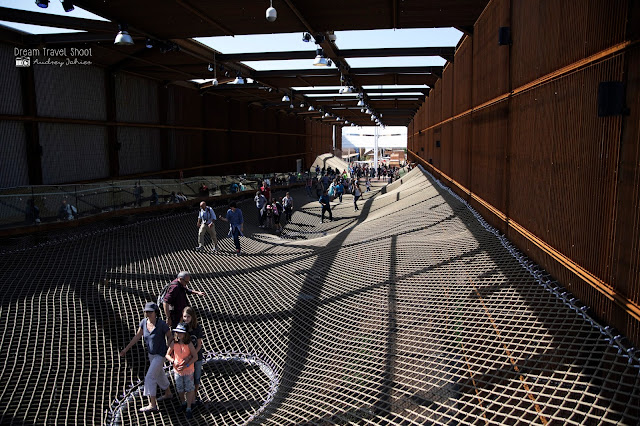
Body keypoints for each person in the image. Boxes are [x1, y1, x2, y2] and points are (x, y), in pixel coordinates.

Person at [120, 302, 173, 413]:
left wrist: (168, 350)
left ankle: (152, 404)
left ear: (155, 312)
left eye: (150, 312)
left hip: (160, 354)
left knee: (149, 377)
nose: (147, 314)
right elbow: (138, 336)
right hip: (151, 354)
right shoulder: (144, 323)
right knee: (159, 374)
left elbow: (170, 336)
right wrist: (126, 349)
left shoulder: (161, 324)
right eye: (146, 312)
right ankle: (168, 393)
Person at [165, 322, 197, 418]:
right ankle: (183, 403)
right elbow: (167, 354)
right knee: (180, 388)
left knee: (189, 388)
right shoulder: (174, 343)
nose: (179, 335)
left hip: (188, 370)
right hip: (177, 370)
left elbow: (195, 357)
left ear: (185, 334)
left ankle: (188, 407)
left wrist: (186, 365)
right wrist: (173, 361)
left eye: (181, 333)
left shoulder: (189, 344)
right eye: (178, 332)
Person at [182, 307, 204, 405]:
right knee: (187, 378)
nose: (186, 319)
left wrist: (193, 354)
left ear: (192, 317)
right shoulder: (183, 327)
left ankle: (194, 397)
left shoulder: (197, 328)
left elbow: (199, 344)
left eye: (188, 317)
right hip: (186, 357)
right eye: (185, 317)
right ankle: (188, 398)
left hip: (197, 357)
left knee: (196, 378)